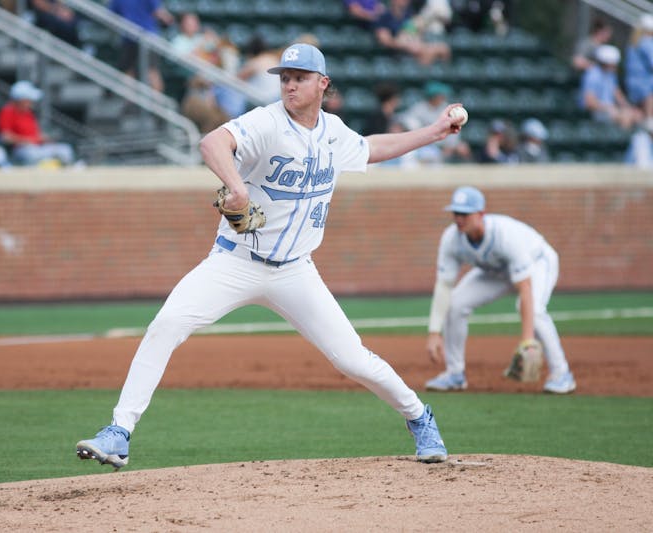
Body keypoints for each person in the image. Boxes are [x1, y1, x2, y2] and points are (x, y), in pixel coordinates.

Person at [76, 43, 466, 469]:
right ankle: (119, 432)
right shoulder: (266, 122)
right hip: (234, 262)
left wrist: (434, 132)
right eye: (284, 77)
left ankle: (419, 417)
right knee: (166, 325)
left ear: (323, 84)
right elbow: (211, 143)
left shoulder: (333, 131)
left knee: (352, 358)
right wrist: (237, 186)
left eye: (299, 78)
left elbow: (372, 147)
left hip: (296, 272)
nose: (289, 85)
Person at [424, 186, 576, 394]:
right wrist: (434, 332)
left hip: (538, 261)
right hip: (495, 271)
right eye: (456, 213)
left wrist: (528, 340)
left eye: (465, 214)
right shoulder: (451, 238)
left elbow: (525, 288)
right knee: (456, 303)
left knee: (535, 309)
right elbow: (444, 285)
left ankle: (562, 374)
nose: (459, 219)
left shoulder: (505, 235)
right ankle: (455, 374)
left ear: (481, 214)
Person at [0, 80, 75, 166]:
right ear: (21, 100)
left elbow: (35, 134)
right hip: (21, 150)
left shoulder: (28, 113)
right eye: (29, 99)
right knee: (32, 154)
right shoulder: (7, 111)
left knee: (65, 150)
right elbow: (5, 137)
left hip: (37, 147)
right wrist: (27, 140)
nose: (31, 102)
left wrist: (43, 138)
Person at [108, 0, 174, 93]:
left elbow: (112, 16)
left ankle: (131, 103)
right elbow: (159, 13)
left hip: (130, 36)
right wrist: (170, 20)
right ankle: (154, 104)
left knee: (130, 72)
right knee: (150, 71)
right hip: (147, 38)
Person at [401, 80, 471, 163]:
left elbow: (454, 136)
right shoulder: (419, 109)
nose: (442, 98)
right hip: (423, 146)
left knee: (462, 148)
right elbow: (405, 122)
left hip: (443, 145)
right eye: (439, 96)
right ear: (432, 96)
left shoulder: (447, 109)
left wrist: (451, 146)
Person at [579, 44, 642, 130]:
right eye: (613, 64)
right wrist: (609, 108)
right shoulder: (593, 75)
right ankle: (621, 141)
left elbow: (616, 93)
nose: (615, 66)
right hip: (595, 112)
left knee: (637, 115)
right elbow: (589, 102)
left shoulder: (610, 75)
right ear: (606, 63)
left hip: (609, 109)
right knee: (625, 117)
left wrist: (627, 107)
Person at [374, 0, 451, 66]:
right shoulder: (384, 17)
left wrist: (415, 40)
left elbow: (415, 32)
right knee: (425, 52)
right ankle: (422, 79)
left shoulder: (409, 14)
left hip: (412, 44)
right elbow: (385, 40)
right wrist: (403, 45)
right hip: (396, 52)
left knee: (443, 49)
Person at [623, 14, 653, 119]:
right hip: (646, 87)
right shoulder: (646, 42)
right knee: (648, 118)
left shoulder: (633, 43)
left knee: (640, 116)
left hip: (633, 86)